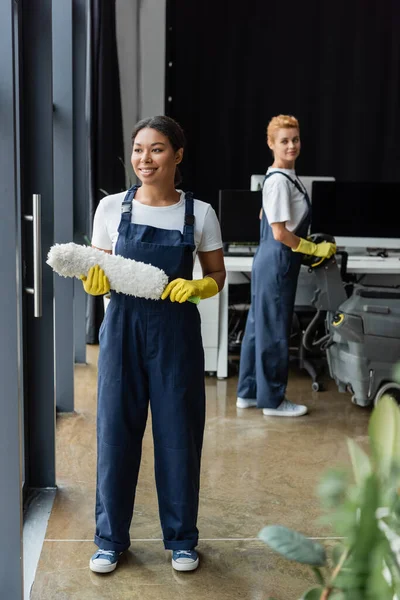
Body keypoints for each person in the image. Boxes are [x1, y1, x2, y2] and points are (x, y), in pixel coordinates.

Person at [80, 116, 225, 573]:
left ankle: (182, 540)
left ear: (177, 156)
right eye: (139, 149)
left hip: (176, 338)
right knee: (115, 435)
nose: (145, 159)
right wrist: (93, 280)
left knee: (179, 437)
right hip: (121, 331)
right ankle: (109, 540)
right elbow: (98, 268)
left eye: (157, 149)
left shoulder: (199, 214)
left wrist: (203, 287)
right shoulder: (110, 210)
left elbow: (217, 273)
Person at [236, 114, 336, 417]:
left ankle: (249, 393)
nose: (291, 145)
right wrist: (312, 248)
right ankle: (273, 401)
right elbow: (280, 232)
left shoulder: (280, 178)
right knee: (275, 330)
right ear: (271, 144)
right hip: (278, 258)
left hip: (271, 258)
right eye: (284, 141)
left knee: (258, 328)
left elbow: (267, 219)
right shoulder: (279, 181)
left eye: (295, 139)